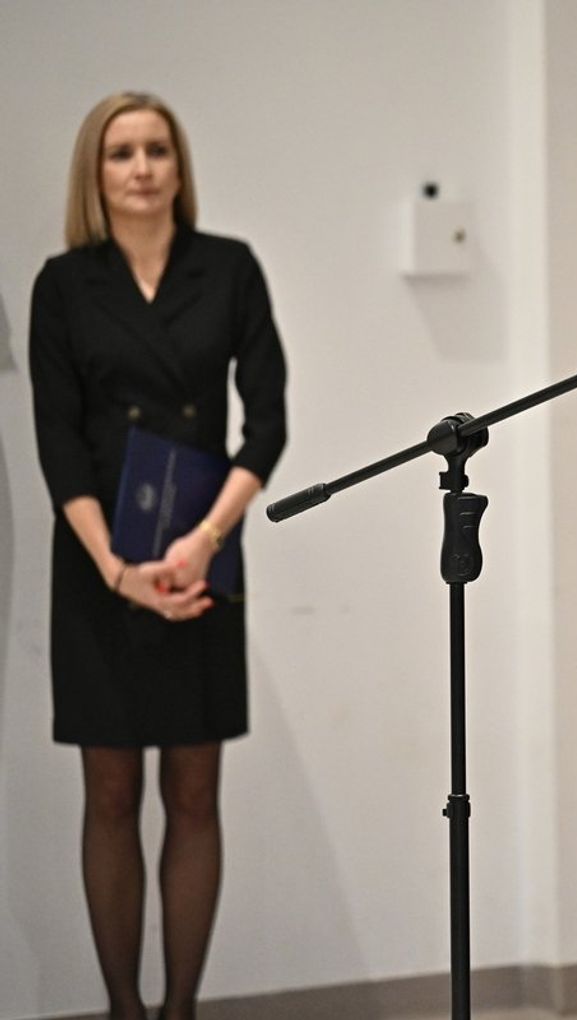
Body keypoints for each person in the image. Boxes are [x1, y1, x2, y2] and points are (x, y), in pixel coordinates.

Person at [28, 92, 287, 1020]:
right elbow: (57, 441)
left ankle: (180, 1010)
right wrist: (117, 569)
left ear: (179, 168)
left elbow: (268, 424)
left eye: (156, 150)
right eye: (120, 153)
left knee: (194, 788)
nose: (140, 168)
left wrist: (203, 541)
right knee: (108, 791)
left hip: (200, 553)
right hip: (99, 561)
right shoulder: (64, 284)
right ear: (94, 175)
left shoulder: (230, 268)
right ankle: (123, 1011)